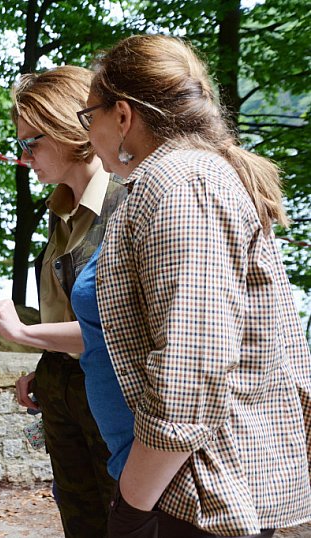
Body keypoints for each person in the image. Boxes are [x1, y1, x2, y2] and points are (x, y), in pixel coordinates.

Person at [81, 34, 311, 537]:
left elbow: (191, 369)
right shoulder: (189, 175)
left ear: (123, 115)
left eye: (89, 115)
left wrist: (132, 507)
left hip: (199, 494)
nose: (88, 132)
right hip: (192, 485)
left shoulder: (182, 183)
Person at [0, 66, 130, 537]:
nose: (25, 157)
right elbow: (70, 312)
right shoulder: (62, 208)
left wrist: (22, 333)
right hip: (65, 394)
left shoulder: (128, 204)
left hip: (112, 402)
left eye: (30, 143)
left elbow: (117, 330)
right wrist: (46, 369)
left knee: (123, 522)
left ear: (66, 128)